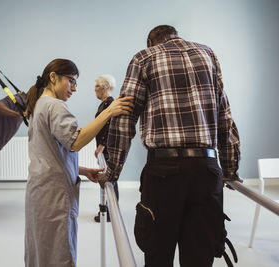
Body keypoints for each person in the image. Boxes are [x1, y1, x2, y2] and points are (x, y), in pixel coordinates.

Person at [98, 25, 241, 267]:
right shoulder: (208, 55)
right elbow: (224, 117)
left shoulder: (144, 57)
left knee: (158, 254)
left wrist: (112, 173)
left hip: (164, 171)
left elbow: (124, 118)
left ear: (151, 42)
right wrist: (229, 170)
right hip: (206, 169)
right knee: (200, 257)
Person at [24, 58, 134, 267]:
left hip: (41, 189)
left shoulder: (40, 104)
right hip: (53, 194)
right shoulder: (54, 106)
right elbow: (75, 142)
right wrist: (109, 112)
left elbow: (48, 152)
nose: (74, 88)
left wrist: (80, 169)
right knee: (57, 252)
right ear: (53, 77)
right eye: (71, 81)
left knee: (41, 250)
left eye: (76, 83)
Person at [93, 74, 119, 223]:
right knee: (107, 178)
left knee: (110, 179)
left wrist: (102, 145)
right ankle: (107, 210)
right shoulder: (104, 104)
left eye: (97, 86)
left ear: (104, 87)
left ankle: (110, 212)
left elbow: (110, 126)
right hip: (104, 148)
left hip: (107, 148)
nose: (95, 89)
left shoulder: (110, 103)